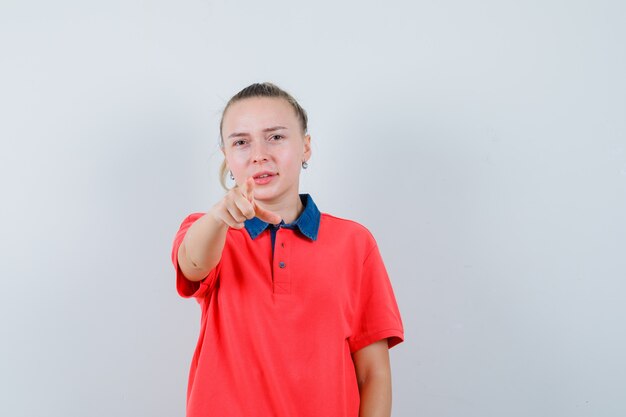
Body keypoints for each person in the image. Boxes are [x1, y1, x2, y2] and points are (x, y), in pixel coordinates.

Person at [170, 82, 404, 417]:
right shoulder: (211, 231)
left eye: (276, 137)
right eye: (241, 142)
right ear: (227, 156)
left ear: (306, 147)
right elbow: (191, 264)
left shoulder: (355, 243)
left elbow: (373, 374)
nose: (259, 154)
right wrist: (219, 218)